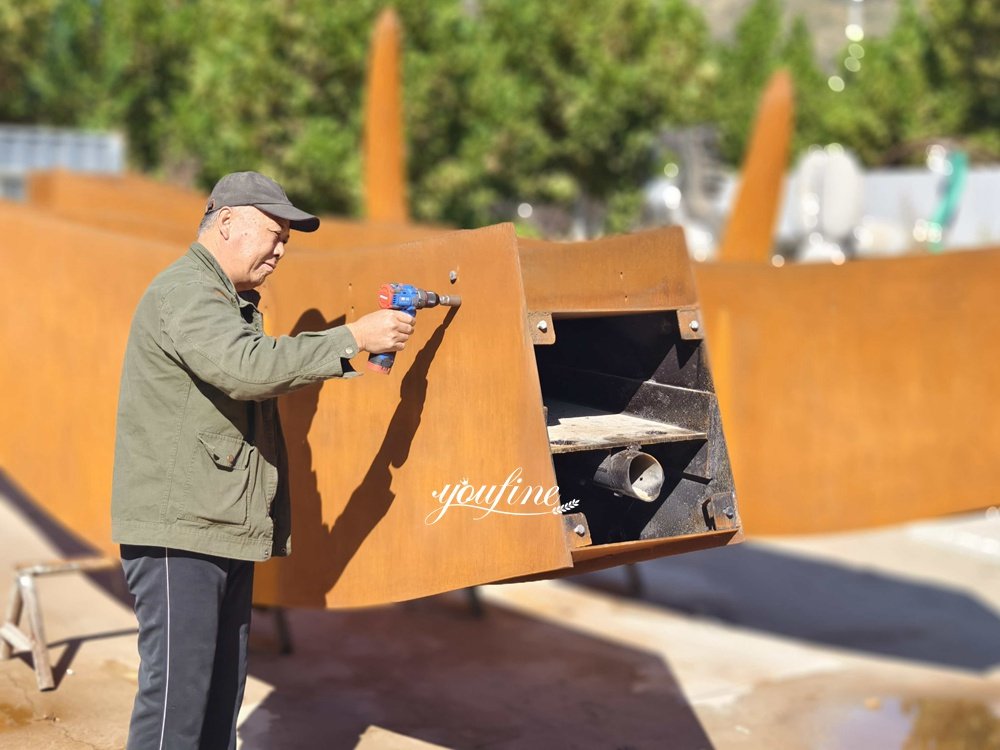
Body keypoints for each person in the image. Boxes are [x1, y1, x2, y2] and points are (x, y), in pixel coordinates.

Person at [110, 171, 414, 749]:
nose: (280, 251)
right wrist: (353, 338)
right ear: (226, 222)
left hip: (215, 524)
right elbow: (247, 369)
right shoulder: (187, 292)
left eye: (286, 241)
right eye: (274, 234)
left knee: (219, 698)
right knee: (177, 702)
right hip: (180, 533)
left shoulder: (227, 301)